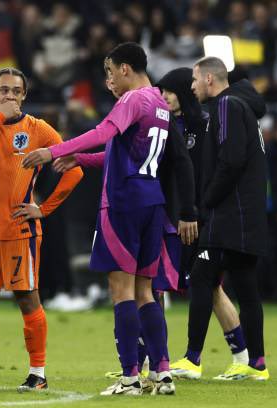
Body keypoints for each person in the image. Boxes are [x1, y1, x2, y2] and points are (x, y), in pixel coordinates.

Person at [24, 42, 175, 396]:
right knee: (144, 292)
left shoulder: (132, 100)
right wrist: (82, 160)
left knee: (120, 290)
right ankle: (163, 373)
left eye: (109, 72)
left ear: (125, 68)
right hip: (152, 201)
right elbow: (122, 152)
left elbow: (103, 133)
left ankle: (129, 378)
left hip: (122, 203)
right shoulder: (160, 104)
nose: (107, 81)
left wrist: (56, 150)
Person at [0, 67, 83, 390]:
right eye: (4, 90)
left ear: (24, 95)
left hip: (18, 232)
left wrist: (44, 209)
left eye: (16, 91)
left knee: (27, 299)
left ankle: (38, 374)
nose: (10, 96)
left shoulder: (37, 129)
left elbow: (74, 170)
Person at [157, 68, 253, 380]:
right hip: (175, 216)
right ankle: (152, 361)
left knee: (207, 285)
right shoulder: (170, 124)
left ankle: (220, 358)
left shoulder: (207, 123)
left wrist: (197, 212)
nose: (163, 97)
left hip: (200, 218)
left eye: (168, 91)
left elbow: (211, 173)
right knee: (199, 286)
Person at [182, 56, 269, 381]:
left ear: (208, 79)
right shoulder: (242, 105)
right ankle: (256, 364)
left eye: (194, 79)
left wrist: (207, 200)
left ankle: (192, 359)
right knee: (246, 288)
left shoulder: (227, 105)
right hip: (248, 214)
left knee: (202, 276)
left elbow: (231, 161)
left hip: (231, 214)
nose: (192, 87)